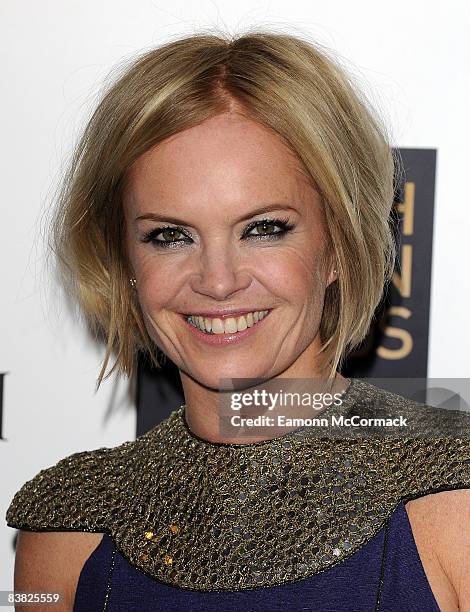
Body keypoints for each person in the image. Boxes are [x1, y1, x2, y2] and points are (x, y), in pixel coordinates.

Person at [5, 29, 470, 612]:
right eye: (169, 236)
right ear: (124, 260)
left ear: (339, 246)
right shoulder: (66, 530)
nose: (218, 281)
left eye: (264, 229)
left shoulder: (455, 496)